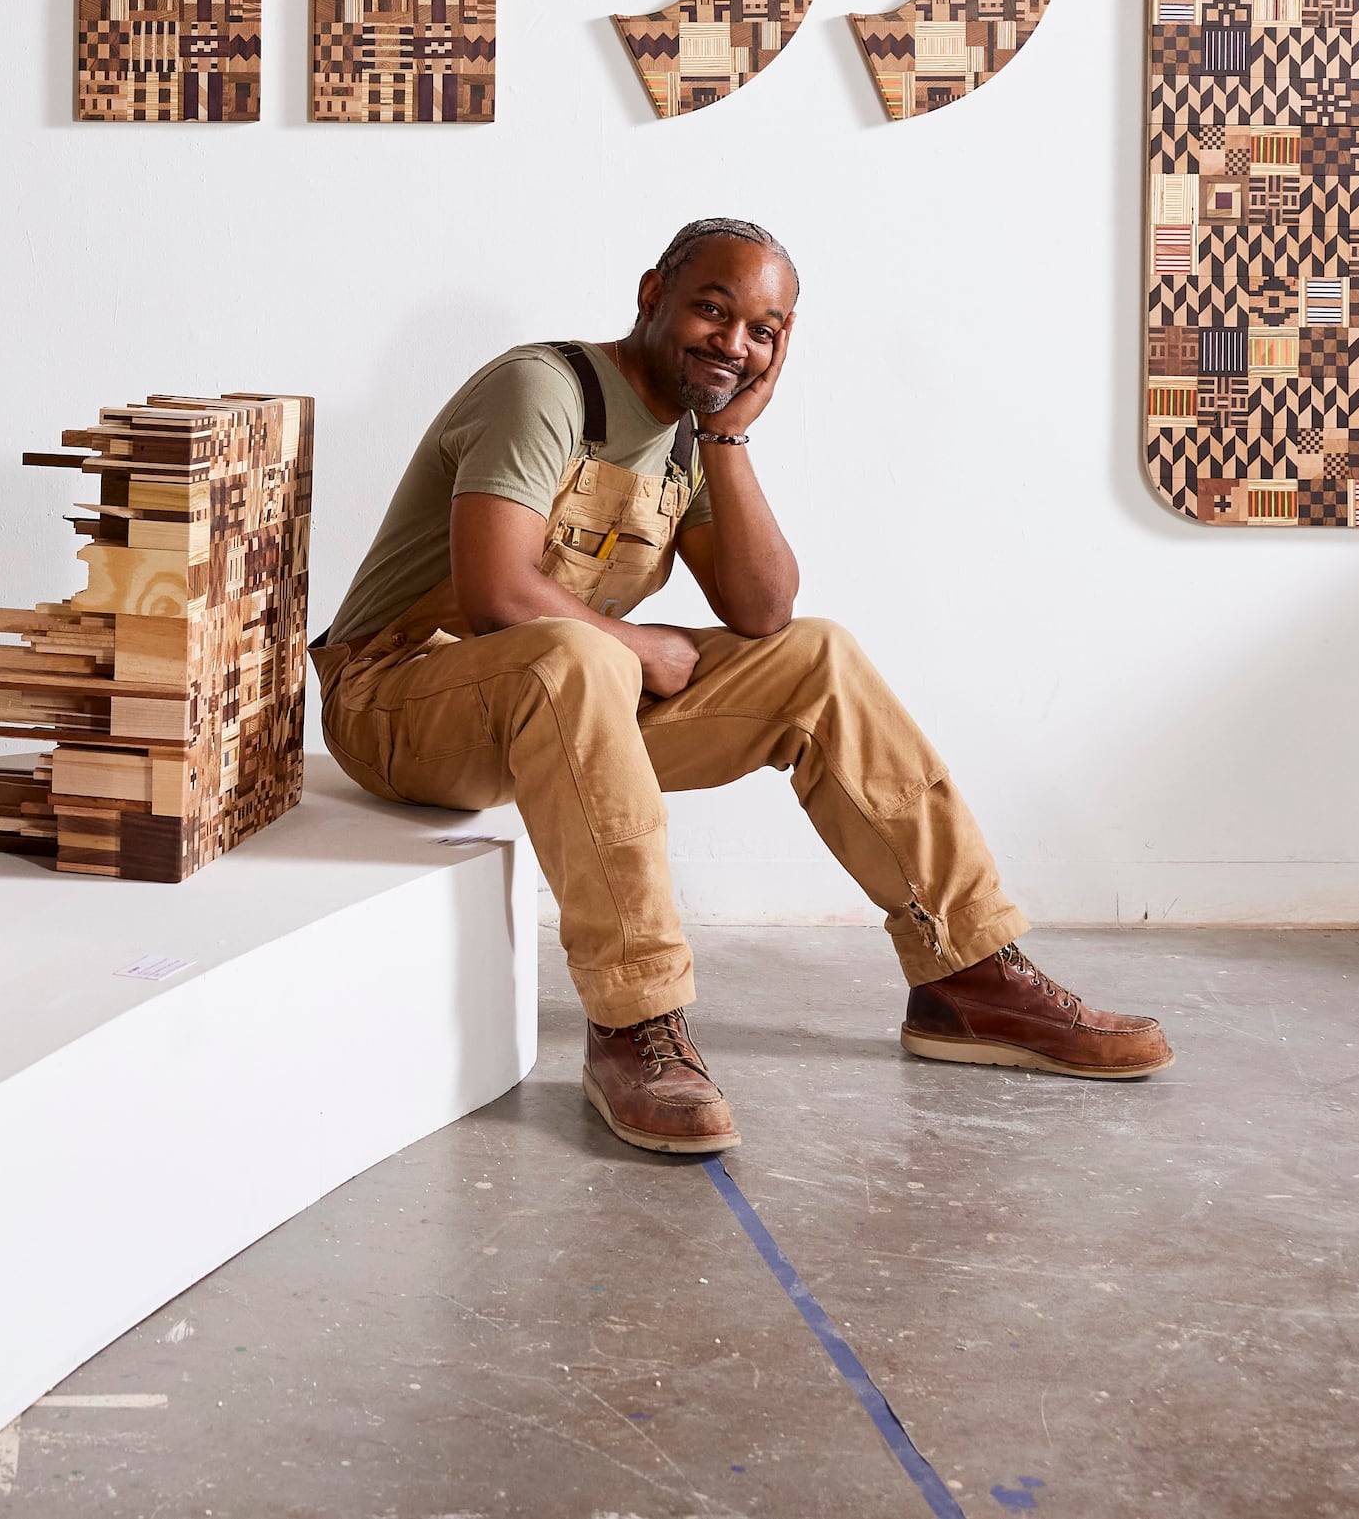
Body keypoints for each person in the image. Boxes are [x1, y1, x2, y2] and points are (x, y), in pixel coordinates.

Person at [312, 216, 1170, 1155]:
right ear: (652, 295)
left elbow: (763, 606)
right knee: (584, 655)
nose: (734, 343)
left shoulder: (691, 435)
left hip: (558, 705)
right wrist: (636, 643)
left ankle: (966, 974)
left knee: (817, 654)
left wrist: (727, 438)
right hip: (397, 698)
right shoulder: (545, 389)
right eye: (713, 311)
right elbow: (494, 593)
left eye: (764, 330)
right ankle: (634, 1023)